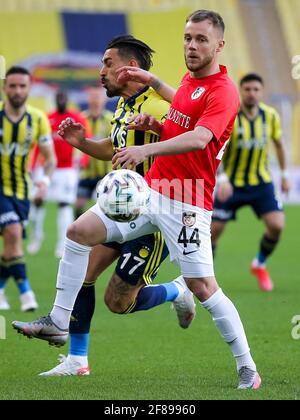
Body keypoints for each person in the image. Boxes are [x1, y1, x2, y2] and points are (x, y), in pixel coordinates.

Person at [13, 11, 261, 389]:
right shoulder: (188, 84)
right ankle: (59, 323)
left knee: (203, 287)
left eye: (201, 40)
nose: (191, 46)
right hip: (150, 193)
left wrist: (148, 149)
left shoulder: (223, 90)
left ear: (219, 45)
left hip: (186, 201)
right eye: (187, 38)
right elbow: (179, 115)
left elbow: (198, 140)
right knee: (78, 232)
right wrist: (156, 123)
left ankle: (247, 366)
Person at [31, 36, 193, 377]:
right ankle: (77, 360)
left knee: (118, 302)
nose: (100, 71)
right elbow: (114, 147)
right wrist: (82, 143)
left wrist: (160, 128)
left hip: (153, 216)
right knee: (83, 271)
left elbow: (192, 137)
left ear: (129, 68)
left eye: (108, 63)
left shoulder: (158, 105)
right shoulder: (122, 106)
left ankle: (178, 290)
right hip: (119, 211)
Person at [212, 73, 290, 292]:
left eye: (256, 90)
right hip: (231, 184)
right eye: (247, 89)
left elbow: (279, 144)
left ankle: (259, 264)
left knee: (277, 225)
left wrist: (284, 175)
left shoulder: (271, 116)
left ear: (261, 92)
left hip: (260, 183)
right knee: (213, 231)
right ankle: (204, 277)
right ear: (241, 91)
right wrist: (223, 178)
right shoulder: (231, 116)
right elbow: (218, 149)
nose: (252, 94)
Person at [0, 66, 56, 311]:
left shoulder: (38, 119)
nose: (17, 90)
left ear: (29, 88)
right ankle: (26, 293)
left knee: (12, 246)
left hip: (22, 191)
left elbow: (49, 158)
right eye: (12, 85)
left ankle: (0, 290)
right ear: (4, 88)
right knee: (13, 234)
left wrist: (44, 181)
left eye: (22, 86)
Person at [27, 90, 91, 258]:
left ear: (67, 100)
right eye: (58, 98)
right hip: (46, 167)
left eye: (63, 98)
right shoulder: (47, 118)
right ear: (55, 100)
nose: (61, 100)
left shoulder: (75, 117)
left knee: (64, 204)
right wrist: (33, 166)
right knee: (37, 201)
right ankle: (37, 237)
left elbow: (87, 139)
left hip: (67, 169)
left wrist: (83, 161)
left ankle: (62, 244)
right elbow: (36, 144)